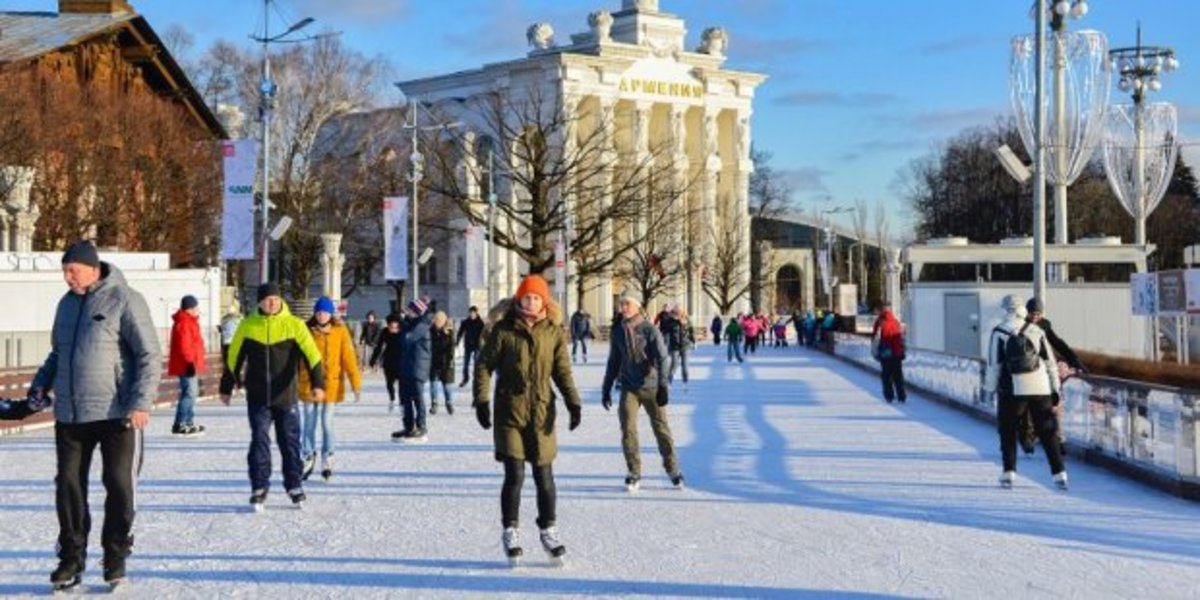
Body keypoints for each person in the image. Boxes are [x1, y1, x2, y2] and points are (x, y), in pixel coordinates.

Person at [30, 241, 161, 592]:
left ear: (91, 268)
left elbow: (149, 354)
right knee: (68, 487)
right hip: (71, 414)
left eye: (72, 270)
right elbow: (58, 354)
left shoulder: (125, 299)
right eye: (64, 270)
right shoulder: (66, 304)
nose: (67, 277)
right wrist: (40, 384)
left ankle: (115, 553)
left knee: (119, 484)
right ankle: (71, 557)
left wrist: (141, 403)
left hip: (118, 413)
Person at [474, 274, 581, 564]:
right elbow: (484, 365)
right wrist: (481, 400)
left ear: (543, 300)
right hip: (510, 411)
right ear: (518, 299)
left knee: (544, 477)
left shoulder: (553, 332)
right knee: (515, 474)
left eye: (536, 297)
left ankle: (548, 529)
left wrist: (574, 402)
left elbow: (562, 372)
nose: (531, 301)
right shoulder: (504, 330)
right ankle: (510, 529)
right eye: (526, 297)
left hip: (542, 413)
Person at [220, 282, 325, 511]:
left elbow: (313, 356)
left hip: (285, 395)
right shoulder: (248, 325)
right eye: (267, 299)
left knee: (289, 442)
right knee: (259, 440)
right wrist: (226, 387)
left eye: (276, 299)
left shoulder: (294, 325)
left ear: (281, 301)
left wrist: (318, 383)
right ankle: (259, 487)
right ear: (260, 302)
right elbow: (234, 357)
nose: (272, 303)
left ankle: (294, 485)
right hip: (257, 396)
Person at [982, 294, 1067, 491]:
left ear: (1005, 309)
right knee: (1047, 431)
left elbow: (994, 365)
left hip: (1011, 389)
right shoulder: (1036, 330)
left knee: (1008, 430)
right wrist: (1056, 389)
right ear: (1023, 310)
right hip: (1040, 388)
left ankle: (1009, 472)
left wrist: (988, 390)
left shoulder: (999, 332)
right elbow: (1050, 363)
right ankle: (1059, 474)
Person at [602, 293, 683, 493]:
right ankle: (634, 471)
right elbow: (614, 361)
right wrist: (606, 387)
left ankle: (673, 469)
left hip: (651, 386)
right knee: (627, 429)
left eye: (627, 304)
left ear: (637, 306)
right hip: (629, 387)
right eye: (621, 304)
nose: (623, 307)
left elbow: (663, 359)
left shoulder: (649, 329)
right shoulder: (619, 332)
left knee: (661, 428)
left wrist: (663, 386)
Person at [297, 296, 361, 482]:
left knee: (326, 422)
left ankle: (328, 456)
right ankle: (308, 455)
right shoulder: (306, 330)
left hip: (331, 385)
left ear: (330, 314)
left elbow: (349, 359)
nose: (321, 316)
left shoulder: (340, 331)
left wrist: (355, 384)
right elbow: (296, 358)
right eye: (318, 312)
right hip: (308, 383)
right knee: (309, 422)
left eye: (324, 312)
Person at [1019, 297, 1086, 455]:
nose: (1035, 317)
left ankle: (1056, 439)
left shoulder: (1044, 325)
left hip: (1044, 370)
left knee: (1051, 406)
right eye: (1032, 313)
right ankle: (1028, 437)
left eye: (1038, 314)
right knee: (1028, 405)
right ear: (1026, 313)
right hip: (1026, 371)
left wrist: (1074, 360)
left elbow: (1057, 342)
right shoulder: (1020, 326)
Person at [392, 297, 432, 442]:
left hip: (417, 367)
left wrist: (402, 323)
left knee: (417, 398)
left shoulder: (422, 325)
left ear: (416, 311)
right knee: (404, 398)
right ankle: (408, 427)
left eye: (409, 310)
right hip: (406, 367)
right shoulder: (411, 323)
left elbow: (407, 338)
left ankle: (421, 427)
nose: (406, 312)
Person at [167, 294, 207, 436]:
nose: (197, 310)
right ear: (189, 308)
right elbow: (185, 346)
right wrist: (190, 363)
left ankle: (188, 422)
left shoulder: (189, 321)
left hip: (190, 364)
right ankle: (180, 423)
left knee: (191, 393)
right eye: (195, 307)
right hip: (187, 365)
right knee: (189, 393)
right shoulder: (184, 322)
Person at [871, 303, 907, 403]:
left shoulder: (880, 322)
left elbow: (876, 338)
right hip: (897, 353)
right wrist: (902, 350)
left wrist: (875, 352)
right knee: (898, 375)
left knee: (886, 376)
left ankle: (889, 396)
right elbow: (901, 337)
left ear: (880, 311)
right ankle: (901, 396)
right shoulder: (896, 322)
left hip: (886, 353)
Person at [370, 314, 404, 413]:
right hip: (388, 361)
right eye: (390, 326)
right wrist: (373, 359)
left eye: (394, 326)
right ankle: (392, 399)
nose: (392, 328)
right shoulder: (385, 332)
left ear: (398, 325)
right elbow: (379, 347)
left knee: (402, 385)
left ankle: (402, 403)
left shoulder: (403, 332)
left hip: (401, 361)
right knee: (389, 383)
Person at [429, 310, 456, 415]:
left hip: (446, 363)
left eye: (440, 320)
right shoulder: (430, 331)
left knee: (447, 386)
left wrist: (450, 360)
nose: (437, 322)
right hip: (434, 362)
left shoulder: (449, 332)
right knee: (433, 385)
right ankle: (434, 403)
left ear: (444, 321)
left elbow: (452, 347)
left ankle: (449, 402)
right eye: (436, 320)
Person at [664, 306, 694, 386]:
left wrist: (693, 342)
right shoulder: (670, 321)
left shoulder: (687, 320)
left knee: (685, 365)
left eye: (680, 311)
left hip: (685, 346)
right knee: (674, 364)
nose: (678, 313)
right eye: (676, 312)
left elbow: (691, 331)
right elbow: (664, 330)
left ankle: (685, 382)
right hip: (674, 346)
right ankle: (668, 381)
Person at [457, 306, 485, 387]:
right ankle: (465, 379)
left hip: (477, 345)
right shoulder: (466, 322)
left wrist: (485, 342)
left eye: (473, 313)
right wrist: (457, 341)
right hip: (468, 345)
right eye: (470, 313)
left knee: (477, 363)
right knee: (466, 363)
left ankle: (476, 379)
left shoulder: (480, 322)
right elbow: (460, 332)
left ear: (476, 313)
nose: (471, 315)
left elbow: (484, 333)